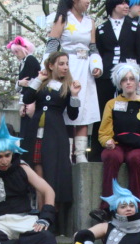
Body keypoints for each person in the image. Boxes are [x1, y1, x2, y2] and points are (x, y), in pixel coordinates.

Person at [90, 63, 140, 223]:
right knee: (111, 156)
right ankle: (106, 208)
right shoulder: (112, 104)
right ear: (119, 83)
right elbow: (104, 131)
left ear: (137, 81)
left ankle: (137, 209)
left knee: (135, 158)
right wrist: (107, 141)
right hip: (117, 145)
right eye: (124, 79)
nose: (128, 82)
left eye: (131, 79)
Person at [21, 51, 81, 209]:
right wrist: (38, 79)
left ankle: (50, 212)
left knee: (52, 171)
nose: (65, 67)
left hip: (55, 133)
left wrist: (75, 96)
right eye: (61, 64)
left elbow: (73, 115)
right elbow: (27, 98)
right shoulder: (41, 83)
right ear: (51, 65)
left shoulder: (68, 86)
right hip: (36, 131)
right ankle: (41, 211)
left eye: (67, 64)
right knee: (37, 170)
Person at [46, 0, 102, 163]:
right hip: (68, 66)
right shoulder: (62, 18)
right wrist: (48, 68)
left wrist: (96, 65)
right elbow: (52, 44)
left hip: (86, 69)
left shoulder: (90, 22)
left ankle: (81, 153)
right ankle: (67, 152)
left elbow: (93, 47)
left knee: (84, 108)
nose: (88, 2)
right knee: (68, 108)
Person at [91, 0, 140, 161]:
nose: (126, 6)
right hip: (105, 78)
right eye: (122, 3)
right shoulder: (101, 29)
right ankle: (97, 152)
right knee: (103, 111)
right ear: (113, 6)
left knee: (129, 111)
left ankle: (129, 147)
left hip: (128, 75)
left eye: (126, 3)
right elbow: (97, 53)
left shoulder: (135, 27)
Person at [6, 36, 40, 137]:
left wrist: (25, 103)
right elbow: (21, 84)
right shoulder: (23, 62)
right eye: (14, 52)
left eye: (17, 52)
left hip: (30, 101)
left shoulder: (30, 60)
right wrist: (19, 83)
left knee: (27, 132)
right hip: (26, 100)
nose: (15, 55)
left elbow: (29, 83)